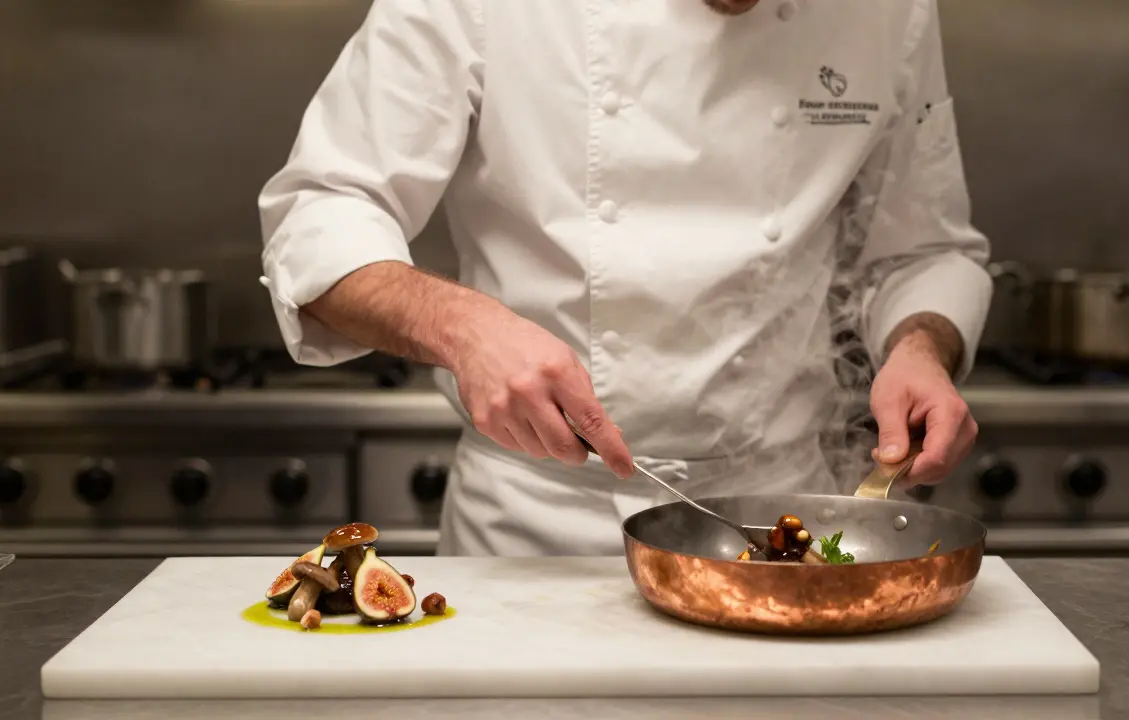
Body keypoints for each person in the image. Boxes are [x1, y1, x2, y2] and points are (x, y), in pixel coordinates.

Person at [258, 0, 992, 556]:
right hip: (536, 529)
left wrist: (921, 349)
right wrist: (463, 327)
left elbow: (922, 248)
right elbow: (320, 211)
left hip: (779, 517)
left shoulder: (888, 11)